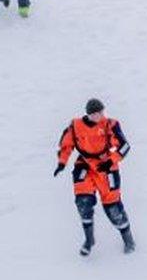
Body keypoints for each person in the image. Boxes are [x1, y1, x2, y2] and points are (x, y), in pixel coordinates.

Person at [56, 98, 134, 255]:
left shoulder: (109, 124)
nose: (100, 115)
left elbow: (124, 146)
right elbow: (66, 145)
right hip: (84, 165)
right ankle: (89, 239)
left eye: (101, 112)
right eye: (96, 113)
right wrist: (62, 162)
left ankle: (128, 239)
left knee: (113, 208)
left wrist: (111, 160)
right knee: (83, 203)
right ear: (89, 114)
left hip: (106, 167)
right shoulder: (75, 126)